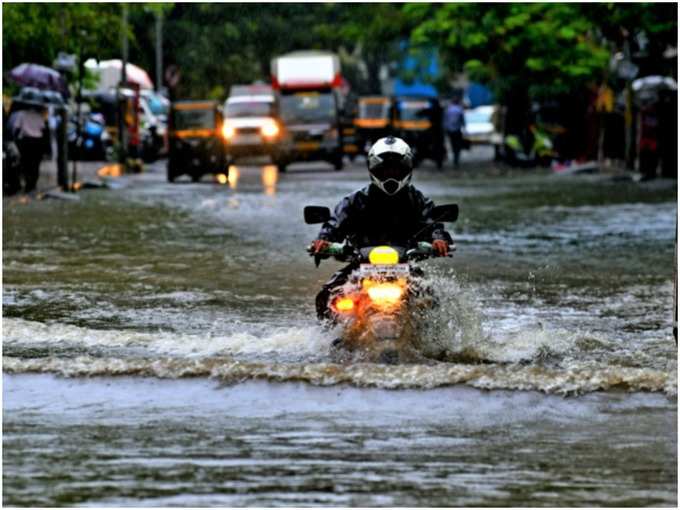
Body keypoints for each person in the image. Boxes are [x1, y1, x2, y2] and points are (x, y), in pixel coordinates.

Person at [310, 136, 453, 319]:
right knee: (326, 297)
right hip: (360, 266)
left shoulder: (418, 200)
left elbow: (433, 222)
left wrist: (439, 239)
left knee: (432, 300)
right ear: (373, 169)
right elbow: (334, 224)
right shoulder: (354, 201)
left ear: (407, 169)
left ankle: (434, 344)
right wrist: (324, 240)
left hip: (405, 266)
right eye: (385, 169)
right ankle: (329, 341)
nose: (391, 174)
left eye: (396, 169)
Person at [8, 90, 48, 193]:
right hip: (38, 142)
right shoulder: (39, 115)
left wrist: (15, 139)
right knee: (35, 164)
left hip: (25, 141)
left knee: (26, 163)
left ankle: (27, 184)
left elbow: (15, 128)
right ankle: (32, 185)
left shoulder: (21, 114)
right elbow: (43, 129)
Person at [443, 95, 465, 167]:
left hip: (450, 130)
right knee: (457, 145)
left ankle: (455, 157)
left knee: (452, 144)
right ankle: (456, 159)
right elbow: (462, 120)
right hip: (457, 130)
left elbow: (445, 120)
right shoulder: (459, 109)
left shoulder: (448, 110)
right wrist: (464, 127)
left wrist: (445, 128)